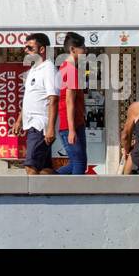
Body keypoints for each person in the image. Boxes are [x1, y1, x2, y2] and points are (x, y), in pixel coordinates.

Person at [21, 33, 58, 175]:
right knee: (44, 169)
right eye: (25, 47)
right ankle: (58, 194)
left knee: (31, 167)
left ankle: (32, 198)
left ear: (42, 49)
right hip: (31, 124)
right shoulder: (33, 70)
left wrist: (50, 128)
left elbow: (53, 99)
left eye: (30, 48)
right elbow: (29, 97)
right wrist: (19, 120)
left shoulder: (48, 69)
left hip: (40, 125)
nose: (26, 50)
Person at [55, 32, 88, 175]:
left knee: (77, 162)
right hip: (71, 125)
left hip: (72, 123)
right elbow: (69, 101)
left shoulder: (63, 68)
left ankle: (50, 180)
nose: (85, 50)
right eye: (83, 47)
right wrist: (72, 129)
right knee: (79, 164)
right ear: (73, 49)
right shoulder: (71, 71)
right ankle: (77, 195)